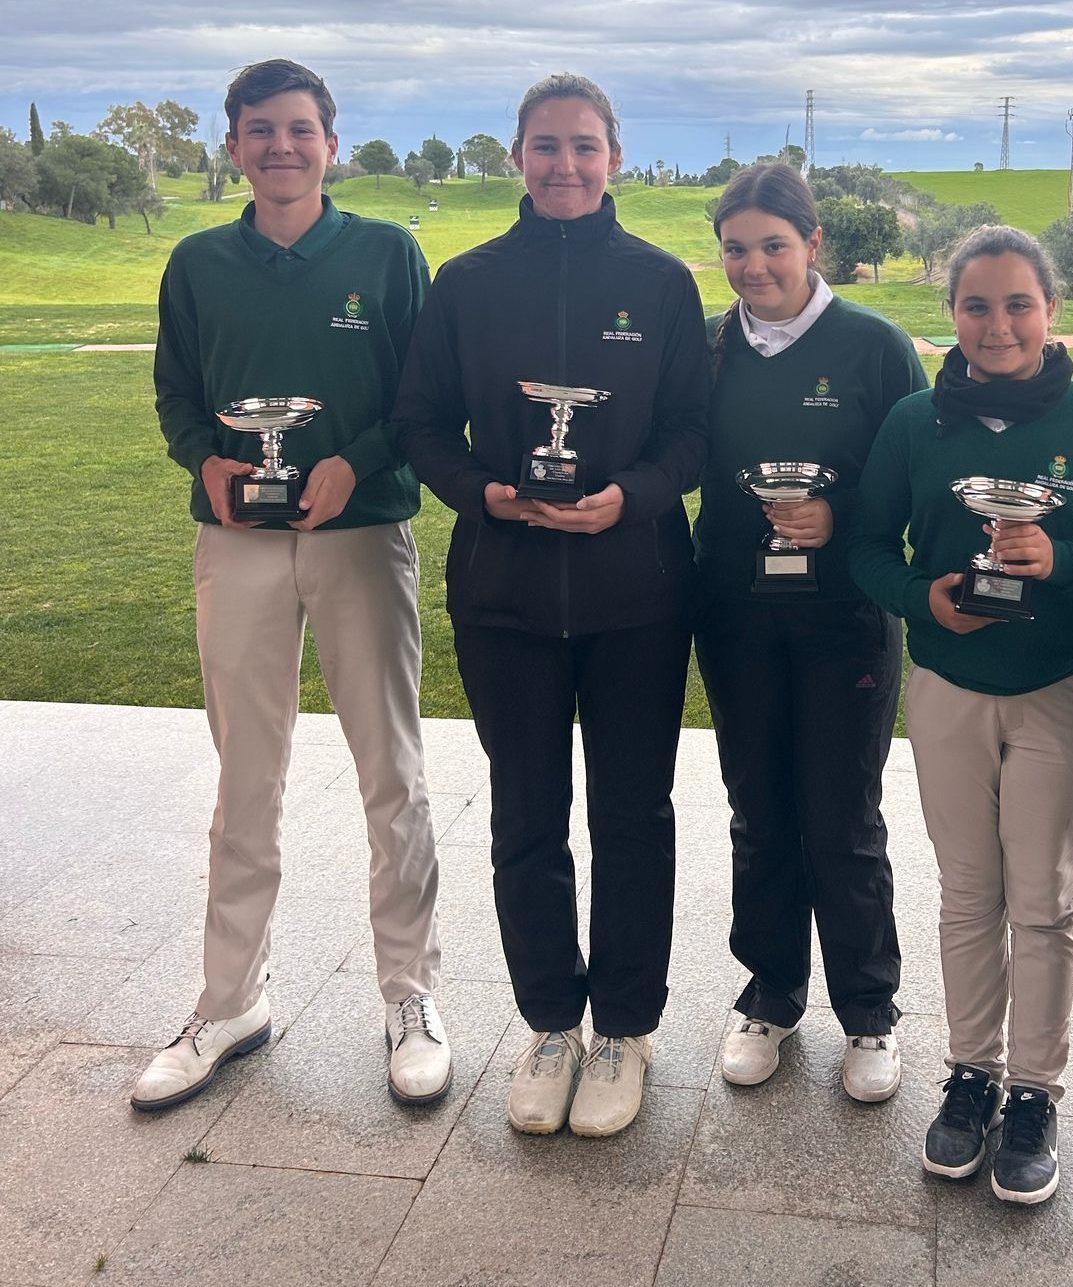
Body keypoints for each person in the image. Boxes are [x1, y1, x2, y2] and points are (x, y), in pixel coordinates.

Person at [393, 74, 707, 1139]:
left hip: (636, 599)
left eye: (582, 145)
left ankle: (622, 1024)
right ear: (516, 157)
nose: (563, 164)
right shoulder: (466, 283)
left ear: (613, 155)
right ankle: (549, 1021)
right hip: (505, 597)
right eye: (543, 146)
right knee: (525, 818)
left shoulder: (661, 286)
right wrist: (481, 492)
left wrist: (637, 496)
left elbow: (692, 435)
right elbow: (421, 423)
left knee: (630, 816)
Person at [138, 58, 450, 1112]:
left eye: (299, 129)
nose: (280, 146)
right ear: (231, 146)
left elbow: (421, 394)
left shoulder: (386, 253)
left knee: (391, 771)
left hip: (360, 530)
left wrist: (352, 462)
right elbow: (177, 389)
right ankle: (231, 998)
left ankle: (410, 994)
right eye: (259, 130)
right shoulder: (196, 261)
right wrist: (209, 461)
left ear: (332, 142)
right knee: (245, 776)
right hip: (238, 539)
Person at [850, 225, 1073, 1202]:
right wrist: (921, 602)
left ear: (1049, 310)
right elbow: (864, 548)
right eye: (976, 306)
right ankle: (969, 1075)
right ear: (950, 315)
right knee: (965, 893)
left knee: (1042, 899)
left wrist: (1058, 562)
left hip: (1059, 696)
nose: (996, 325)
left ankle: (1033, 1092)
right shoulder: (913, 422)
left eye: (1016, 304)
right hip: (946, 689)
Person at [693, 163, 927, 1100]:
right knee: (759, 808)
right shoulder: (709, 349)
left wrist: (842, 518)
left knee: (842, 815)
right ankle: (772, 993)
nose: (754, 266)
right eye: (737, 249)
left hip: (845, 617)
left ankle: (869, 1010)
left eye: (773, 246)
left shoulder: (873, 345)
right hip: (737, 612)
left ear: (813, 243)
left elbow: (915, 473)